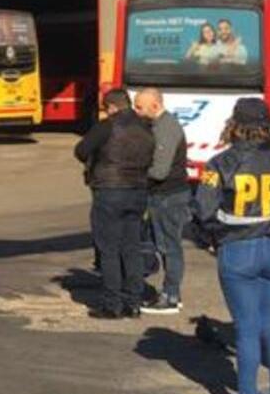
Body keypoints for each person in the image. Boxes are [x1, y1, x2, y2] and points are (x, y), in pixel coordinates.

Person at [194, 97, 270, 394]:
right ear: (269, 126)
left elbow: (203, 210)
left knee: (247, 327)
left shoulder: (219, 164)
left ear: (234, 125)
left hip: (238, 249)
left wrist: (214, 238)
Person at [75, 87, 154, 318]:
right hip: (138, 190)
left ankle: (112, 303)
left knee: (108, 248)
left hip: (109, 191)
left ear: (111, 107)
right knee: (131, 247)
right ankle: (133, 301)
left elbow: (81, 150)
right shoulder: (146, 127)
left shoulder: (107, 126)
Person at [136, 87, 191, 314]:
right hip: (163, 195)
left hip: (169, 196)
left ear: (155, 106)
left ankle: (170, 296)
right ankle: (168, 292)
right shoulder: (157, 126)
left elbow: (159, 171)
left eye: (140, 107)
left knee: (169, 246)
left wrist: (134, 171)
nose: (136, 111)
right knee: (163, 244)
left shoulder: (166, 128)